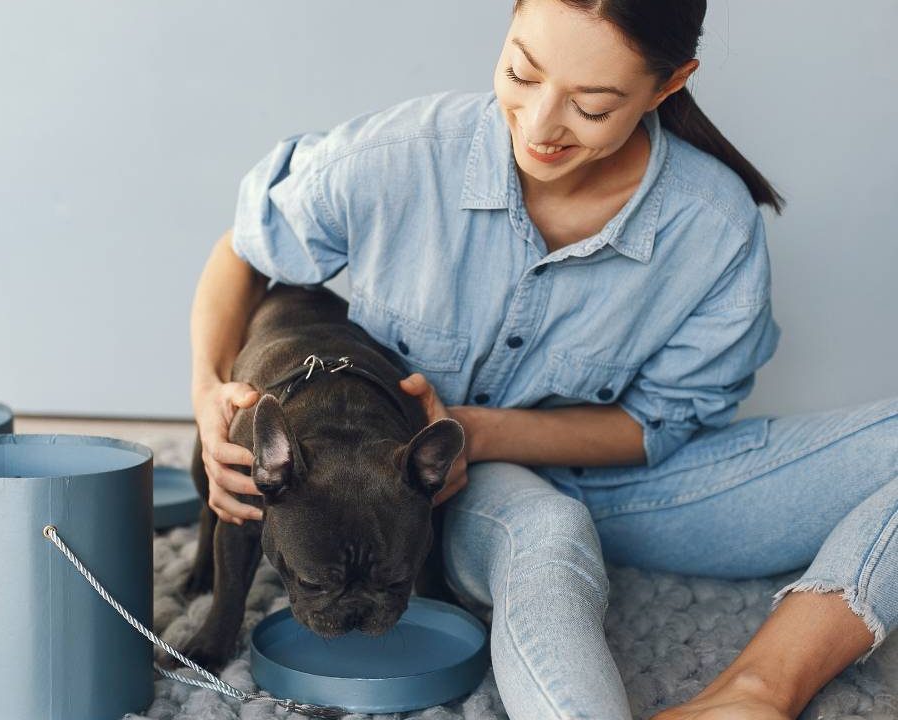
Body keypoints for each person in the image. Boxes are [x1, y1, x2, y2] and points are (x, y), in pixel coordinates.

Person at [188, 0, 898, 717]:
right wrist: (208, 392)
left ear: (669, 83)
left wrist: (478, 430)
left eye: (591, 106)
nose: (539, 124)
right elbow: (244, 249)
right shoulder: (399, 157)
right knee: (549, 538)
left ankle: (760, 688)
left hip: (642, 484)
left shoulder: (712, 224)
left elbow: (658, 425)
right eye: (520, 74)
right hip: (461, 495)